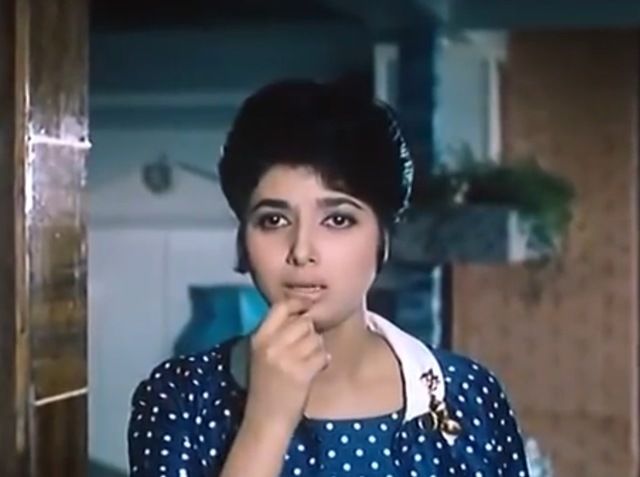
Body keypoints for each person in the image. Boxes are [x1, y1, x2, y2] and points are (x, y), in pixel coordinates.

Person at [127, 79, 529, 477]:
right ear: (244, 238)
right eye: (274, 220)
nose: (301, 250)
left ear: (383, 237)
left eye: (337, 220)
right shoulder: (180, 398)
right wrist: (267, 422)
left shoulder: (467, 396)